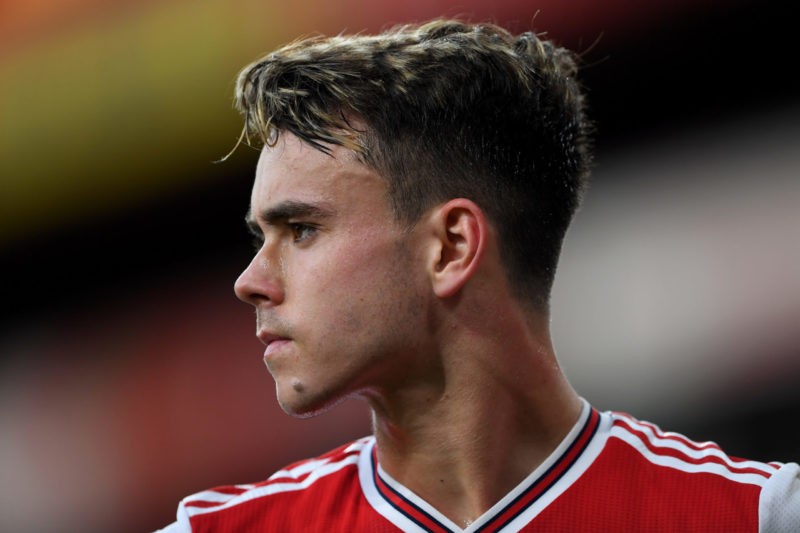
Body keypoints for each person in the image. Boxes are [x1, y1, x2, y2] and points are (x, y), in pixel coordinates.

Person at [158, 18, 800, 532]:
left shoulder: (757, 517)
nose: (250, 280)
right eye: (260, 236)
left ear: (451, 246)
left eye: (301, 230)